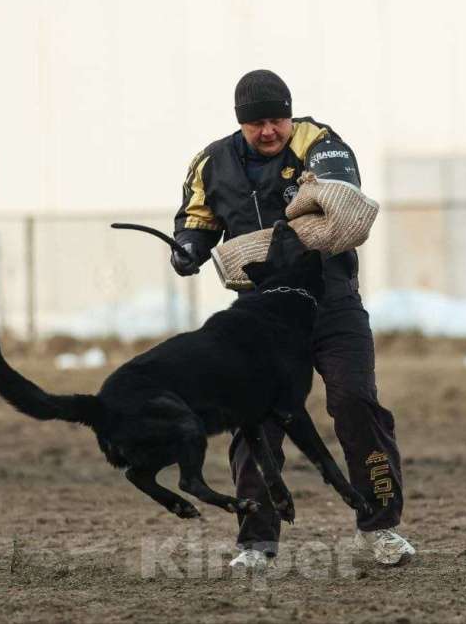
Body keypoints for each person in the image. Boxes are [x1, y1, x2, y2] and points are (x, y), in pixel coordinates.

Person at [171, 70, 415, 568]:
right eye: (256, 123)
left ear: (290, 114)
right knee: (255, 421)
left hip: (331, 302)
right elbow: (197, 219)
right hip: (260, 317)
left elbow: (342, 204)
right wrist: (189, 247)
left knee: (355, 403)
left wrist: (277, 236)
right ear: (240, 123)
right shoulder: (210, 163)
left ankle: (381, 526)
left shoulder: (320, 143)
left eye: (276, 120)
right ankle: (256, 544)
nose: (269, 132)